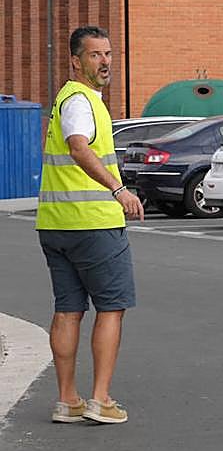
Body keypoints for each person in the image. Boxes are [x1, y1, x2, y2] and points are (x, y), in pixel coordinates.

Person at [36, 25, 144, 425]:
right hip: (94, 226)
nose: (105, 62)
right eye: (95, 55)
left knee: (68, 310)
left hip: (56, 224)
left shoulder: (66, 99)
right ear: (75, 61)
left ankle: (68, 401)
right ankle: (100, 399)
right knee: (111, 308)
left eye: (109, 54)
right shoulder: (81, 101)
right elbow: (79, 147)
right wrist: (119, 189)